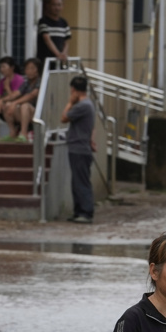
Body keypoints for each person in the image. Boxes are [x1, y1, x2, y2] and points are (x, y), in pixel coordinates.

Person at [62, 76, 95, 223]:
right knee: (77, 181)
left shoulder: (82, 106)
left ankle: (85, 212)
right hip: (80, 146)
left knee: (81, 181)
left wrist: (70, 103)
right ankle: (79, 211)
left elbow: (64, 118)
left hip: (79, 147)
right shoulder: (88, 104)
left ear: (74, 90)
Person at [2, 58, 43, 142]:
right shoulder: (26, 83)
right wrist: (2, 100)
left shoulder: (41, 81)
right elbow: (16, 93)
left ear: (38, 70)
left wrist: (15, 103)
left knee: (25, 105)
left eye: (32, 68)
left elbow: (32, 95)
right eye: (27, 69)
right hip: (25, 114)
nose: (29, 71)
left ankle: (23, 133)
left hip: (39, 114)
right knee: (7, 105)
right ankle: (12, 133)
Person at [0, 57, 25, 139]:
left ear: (12, 67)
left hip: (17, 106)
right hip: (4, 105)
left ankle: (12, 132)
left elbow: (15, 97)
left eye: (4, 67)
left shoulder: (19, 79)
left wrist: (7, 87)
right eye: (0, 67)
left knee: (8, 104)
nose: (1, 70)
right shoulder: (2, 81)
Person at [37, 0, 72, 66]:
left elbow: (66, 41)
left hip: (59, 63)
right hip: (46, 63)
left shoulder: (64, 23)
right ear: (48, 6)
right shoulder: (43, 21)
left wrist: (64, 54)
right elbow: (47, 39)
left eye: (59, 5)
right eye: (54, 5)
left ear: (62, 6)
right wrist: (58, 54)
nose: (57, 8)